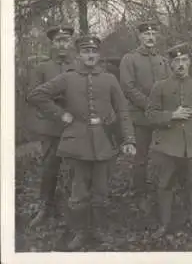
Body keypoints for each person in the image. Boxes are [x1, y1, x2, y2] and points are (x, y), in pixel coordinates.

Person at [27, 35, 137, 250]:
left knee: (101, 191)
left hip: (104, 142)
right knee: (78, 192)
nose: (90, 56)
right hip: (76, 143)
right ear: (78, 54)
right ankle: (80, 232)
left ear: (99, 55)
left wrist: (129, 139)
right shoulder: (68, 78)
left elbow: (123, 111)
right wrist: (60, 114)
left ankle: (99, 230)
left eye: (94, 52)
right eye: (86, 52)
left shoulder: (109, 79)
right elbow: (36, 95)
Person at [146, 43, 192, 239]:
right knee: (164, 185)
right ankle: (164, 224)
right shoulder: (160, 86)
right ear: (170, 64)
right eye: (176, 61)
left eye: (184, 60)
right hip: (167, 146)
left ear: (191, 63)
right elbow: (150, 115)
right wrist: (171, 115)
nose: (181, 64)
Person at [26, 24, 78, 228]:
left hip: (75, 125)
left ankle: (75, 207)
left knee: (77, 167)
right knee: (50, 168)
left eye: (66, 40)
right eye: (58, 40)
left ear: (70, 43)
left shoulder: (77, 66)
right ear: (53, 43)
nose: (63, 44)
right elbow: (33, 96)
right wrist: (57, 108)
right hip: (51, 126)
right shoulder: (41, 68)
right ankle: (45, 207)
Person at [119, 20, 170, 211]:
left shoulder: (163, 60)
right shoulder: (129, 59)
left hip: (161, 117)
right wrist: (150, 106)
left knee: (164, 156)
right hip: (140, 117)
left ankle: (163, 191)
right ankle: (140, 194)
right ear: (139, 37)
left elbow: (169, 85)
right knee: (140, 158)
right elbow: (128, 87)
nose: (150, 38)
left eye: (153, 34)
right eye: (146, 34)